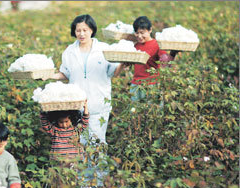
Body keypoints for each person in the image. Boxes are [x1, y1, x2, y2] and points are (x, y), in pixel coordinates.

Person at [44, 14, 126, 144]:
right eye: (78, 30)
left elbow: (113, 72)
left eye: (85, 30)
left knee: (97, 142)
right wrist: (48, 76)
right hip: (77, 106)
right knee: (80, 143)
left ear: (92, 30)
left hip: (99, 104)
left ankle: (99, 165)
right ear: (74, 32)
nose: (81, 34)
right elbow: (65, 74)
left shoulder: (103, 49)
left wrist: (123, 64)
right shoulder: (69, 52)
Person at [115, 16, 180, 102]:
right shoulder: (135, 46)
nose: (139, 36)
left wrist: (173, 53)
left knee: (152, 111)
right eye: (137, 33)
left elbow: (166, 63)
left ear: (150, 30)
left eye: (142, 33)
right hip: (135, 84)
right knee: (134, 111)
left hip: (151, 85)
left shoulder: (157, 45)